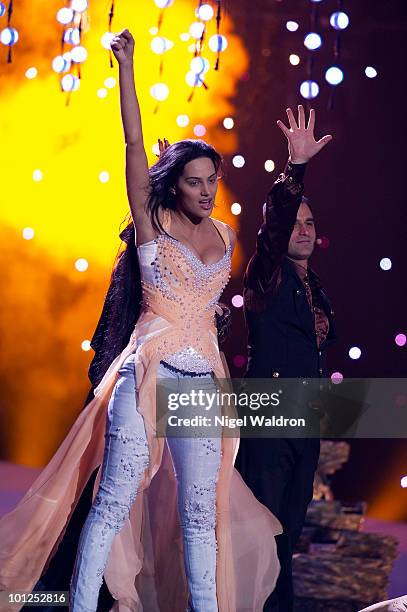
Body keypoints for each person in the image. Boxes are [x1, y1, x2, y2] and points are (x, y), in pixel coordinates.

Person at [0, 29, 282, 612]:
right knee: (113, 500)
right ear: (172, 185)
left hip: (203, 382)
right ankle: (78, 608)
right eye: (194, 182)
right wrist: (126, 67)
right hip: (148, 374)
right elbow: (133, 144)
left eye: (211, 181)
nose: (205, 191)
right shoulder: (152, 226)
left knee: (201, 514)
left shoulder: (226, 236)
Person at [235, 105, 336, 611]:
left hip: (304, 425)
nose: (302, 230)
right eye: (294, 223)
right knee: (263, 532)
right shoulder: (266, 274)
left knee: (288, 535)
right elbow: (275, 225)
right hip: (269, 417)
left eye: (310, 223)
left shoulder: (314, 286)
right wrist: (295, 169)